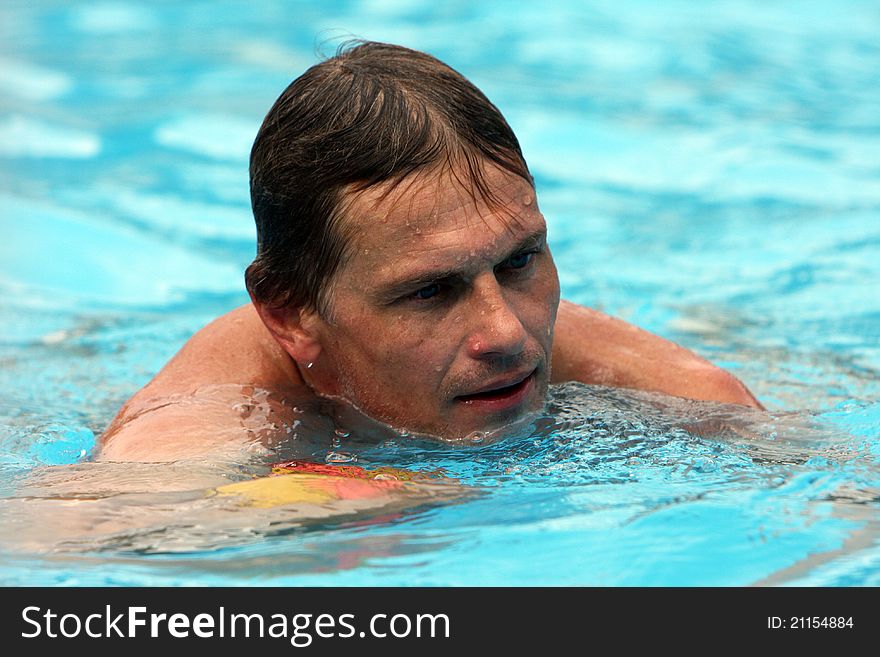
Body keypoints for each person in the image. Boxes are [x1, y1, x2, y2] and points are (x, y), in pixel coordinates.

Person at [97, 41, 761, 464]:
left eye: (519, 261)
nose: (505, 332)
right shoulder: (195, 431)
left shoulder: (686, 397)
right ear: (292, 314)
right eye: (430, 291)